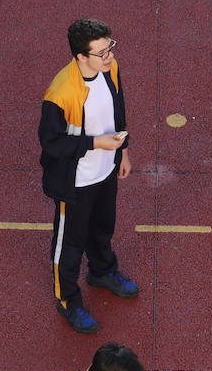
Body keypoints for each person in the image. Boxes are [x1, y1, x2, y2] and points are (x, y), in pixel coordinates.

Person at [39, 18, 139, 334]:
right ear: (81, 57)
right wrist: (96, 143)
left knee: (103, 227)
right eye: (101, 52)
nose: (109, 55)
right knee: (69, 245)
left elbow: (117, 110)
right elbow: (51, 143)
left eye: (110, 46)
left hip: (106, 170)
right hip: (76, 182)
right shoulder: (61, 93)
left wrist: (123, 150)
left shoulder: (110, 69)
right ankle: (68, 300)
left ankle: (102, 272)